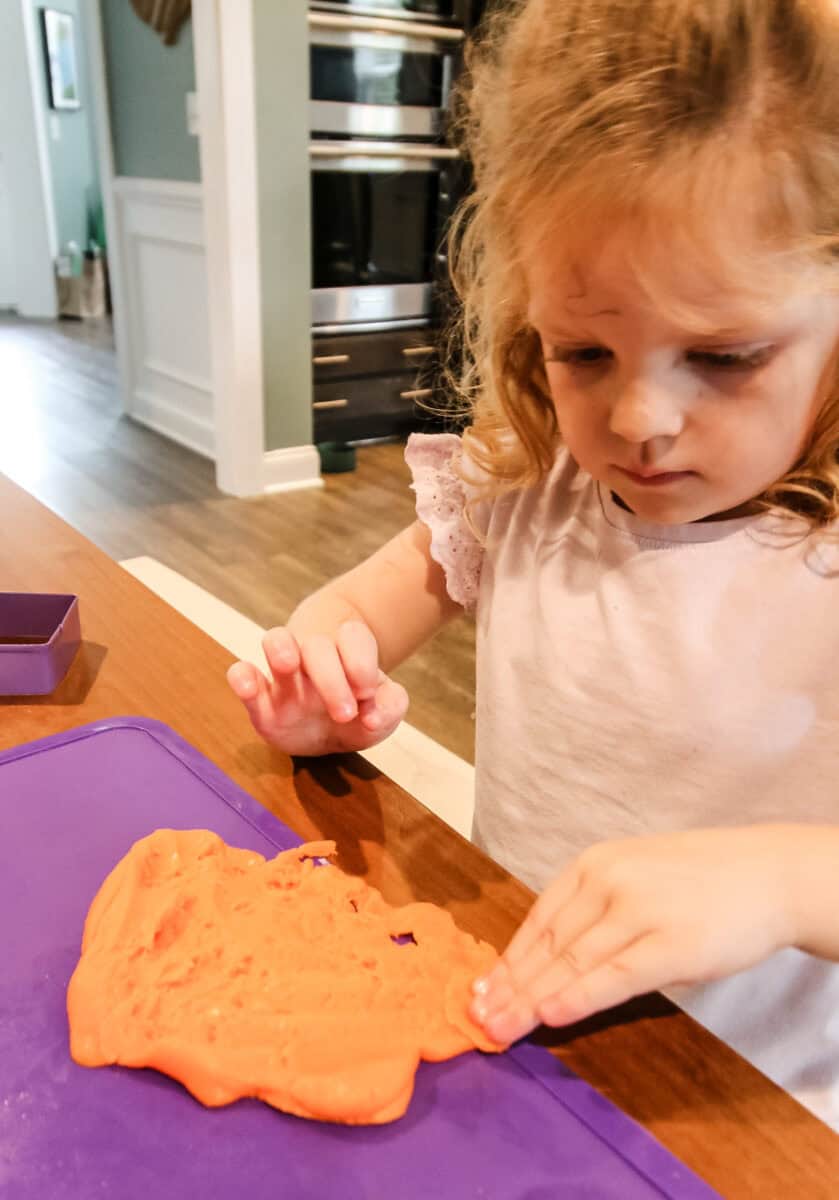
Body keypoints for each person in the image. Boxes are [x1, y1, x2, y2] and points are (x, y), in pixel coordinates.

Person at [228, 0, 839, 1127]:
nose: (642, 416)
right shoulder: (520, 488)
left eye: (723, 354)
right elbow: (358, 606)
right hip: (513, 1033)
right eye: (584, 350)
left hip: (747, 1109)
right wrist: (322, 672)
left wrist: (780, 879)